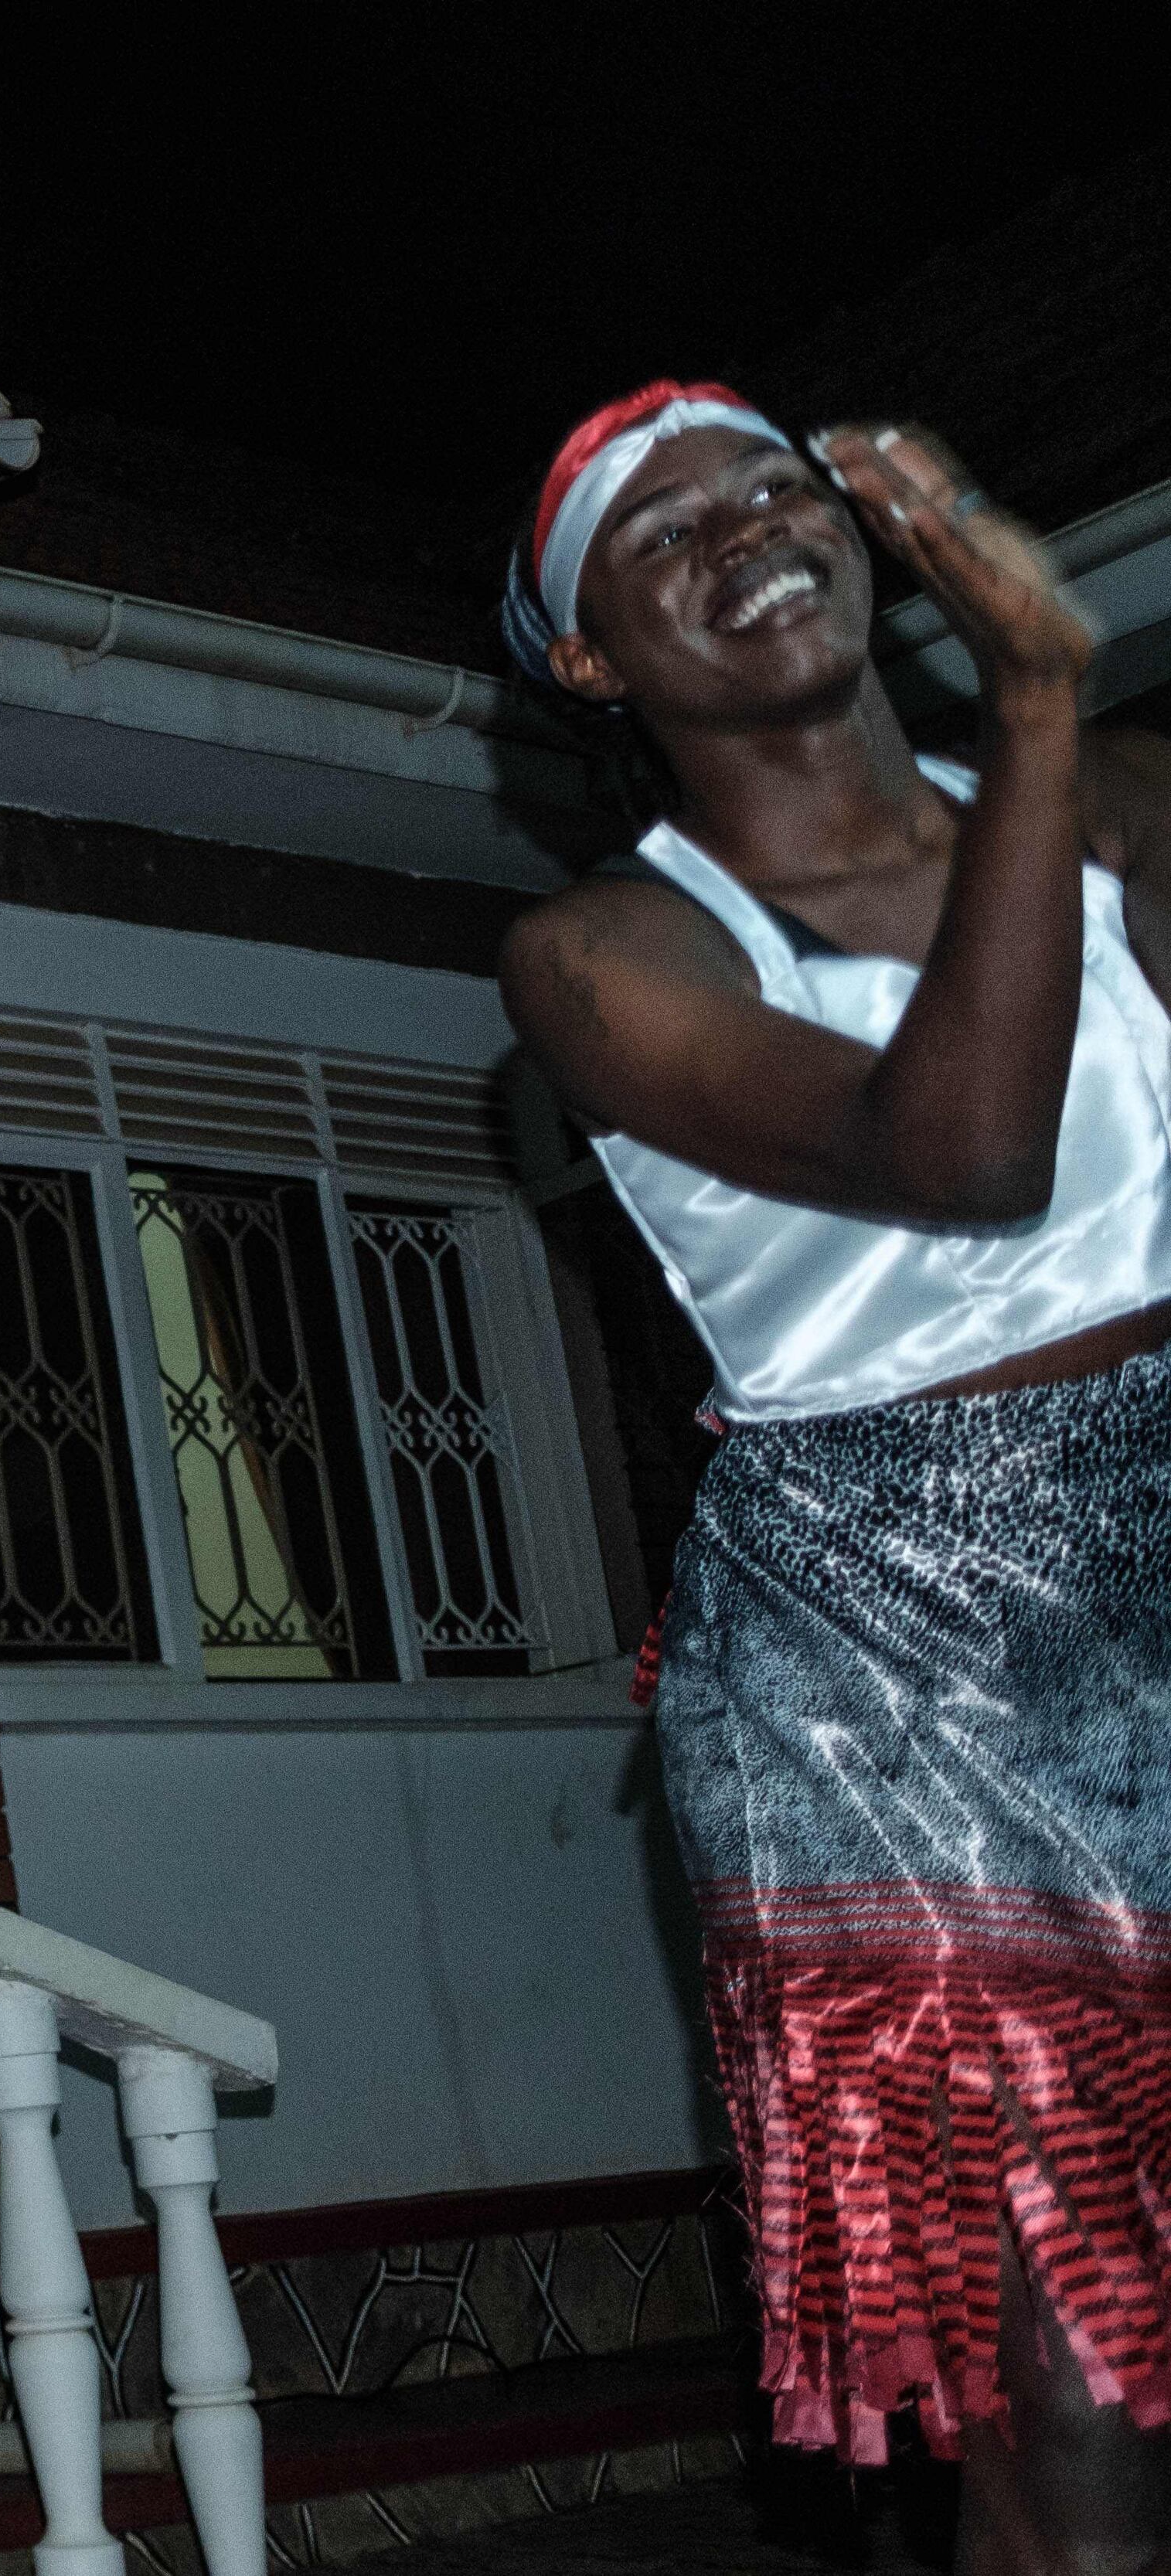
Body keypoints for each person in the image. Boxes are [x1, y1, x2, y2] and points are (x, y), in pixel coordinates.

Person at [498, 383, 1171, 2569]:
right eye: (654, 530)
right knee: (1075, 2419)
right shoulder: (610, 952)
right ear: (590, 657)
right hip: (894, 1699)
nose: (741, 530)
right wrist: (1043, 690)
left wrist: (1068, 757)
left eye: (772, 483)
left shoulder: (1140, 810)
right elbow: (958, 1154)